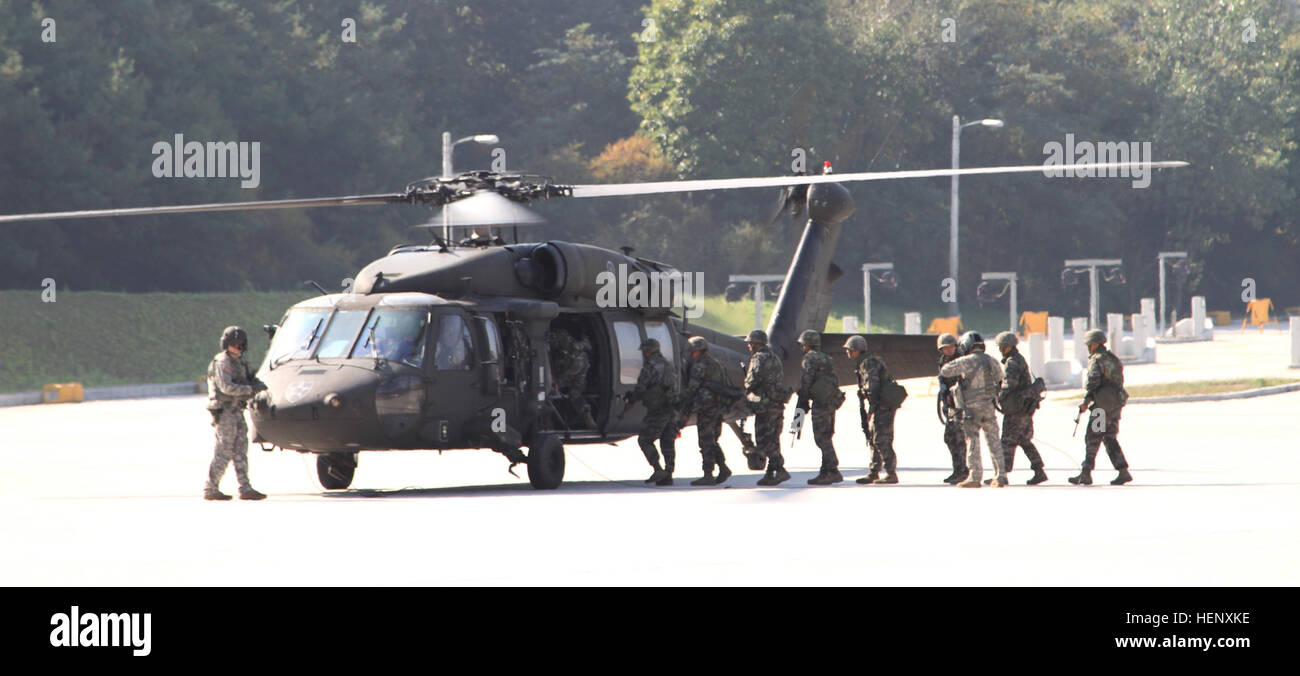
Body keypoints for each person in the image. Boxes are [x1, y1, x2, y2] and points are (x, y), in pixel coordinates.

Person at [205, 326, 268, 500]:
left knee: (241, 450)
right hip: (225, 411)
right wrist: (250, 389)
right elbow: (226, 387)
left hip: (237, 410)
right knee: (224, 450)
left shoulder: (241, 361)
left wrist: (258, 385)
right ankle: (211, 488)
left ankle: (245, 487)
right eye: (234, 344)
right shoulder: (222, 362)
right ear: (226, 344)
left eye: (240, 344)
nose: (237, 347)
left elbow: (250, 378)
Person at [940, 332, 1006, 488]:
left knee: (973, 441)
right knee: (994, 441)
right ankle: (1000, 475)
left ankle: (975, 476)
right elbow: (1000, 375)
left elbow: (945, 371)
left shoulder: (966, 361)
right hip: (989, 406)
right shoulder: (991, 360)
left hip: (972, 408)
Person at [1070, 329, 1133, 486]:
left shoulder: (1096, 360)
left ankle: (1086, 473)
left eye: (1089, 344)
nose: (1088, 347)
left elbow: (1093, 383)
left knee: (1093, 437)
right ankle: (1123, 471)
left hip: (1101, 407)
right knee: (1110, 437)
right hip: (1115, 404)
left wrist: (1086, 402)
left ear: (1095, 344)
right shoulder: (1113, 359)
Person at [845, 334, 900, 484]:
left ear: (857, 350)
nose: (847, 353)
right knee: (874, 438)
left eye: (850, 350)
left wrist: (871, 408)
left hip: (882, 405)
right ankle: (874, 471)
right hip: (880, 404)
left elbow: (873, 386)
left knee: (882, 439)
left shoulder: (868, 363)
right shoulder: (866, 361)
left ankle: (891, 473)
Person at [679, 336, 734, 486]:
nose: (690, 355)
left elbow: (692, 390)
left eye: (692, 351)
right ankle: (723, 468)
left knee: (705, 442)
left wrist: (685, 412)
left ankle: (708, 474)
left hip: (706, 408)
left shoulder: (699, 366)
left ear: (696, 351)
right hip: (718, 408)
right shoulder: (716, 364)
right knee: (712, 440)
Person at [995, 331, 1047, 485]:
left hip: (1017, 409)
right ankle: (1039, 471)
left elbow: (1009, 385)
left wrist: (997, 393)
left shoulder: (1011, 362)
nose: (999, 350)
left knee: (1007, 441)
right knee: (1024, 440)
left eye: (1001, 347)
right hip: (1025, 407)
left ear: (1006, 347)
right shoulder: (1019, 359)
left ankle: (1002, 475)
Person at [626, 338, 679, 486]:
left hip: (658, 410)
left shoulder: (650, 366)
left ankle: (658, 469)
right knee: (667, 442)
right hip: (671, 408)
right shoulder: (668, 365)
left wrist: (631, 401)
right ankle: (668, 475)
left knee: (644, 440)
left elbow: (641, 387)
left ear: (648, 351)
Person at [795, 330, 845, 485]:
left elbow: (806, 380)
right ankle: (825, 472)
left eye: (803, 344)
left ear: (806, 344)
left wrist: (802, 400)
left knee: (821, 438)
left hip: (820, 403)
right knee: (827, 435)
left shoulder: (809, 358)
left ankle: (833, 470)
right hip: (830, 400)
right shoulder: (826, 358)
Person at [744, 329, 790, 486]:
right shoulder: (775, 358)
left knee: (764, 441)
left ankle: (781, 470)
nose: (749, 346)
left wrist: (746, 389)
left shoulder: (758, 358)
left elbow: (751, 381)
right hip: (777, 404)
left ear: (757, 344)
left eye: (750, 343)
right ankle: (770, 474)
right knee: (774, 440)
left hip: (764, 406)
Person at [936, 333, 968, 484]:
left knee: (959, 439)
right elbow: (943, 382)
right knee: (949, 438)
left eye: (950, 347)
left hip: (962, 405)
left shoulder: (962, 361)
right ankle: (958, 469)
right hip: (950, 405)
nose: (948, 350)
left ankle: (962, 471)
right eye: (944, 348)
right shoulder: (943, 361)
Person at [549, 328, 596, 428]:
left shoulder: (562, 336)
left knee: (548, 391)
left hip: (570, 364)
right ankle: (587, 415)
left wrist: (554, 379)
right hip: (583, 364)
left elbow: (548, 345)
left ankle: (547, 422)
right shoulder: (582, 340)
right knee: (575, 394)